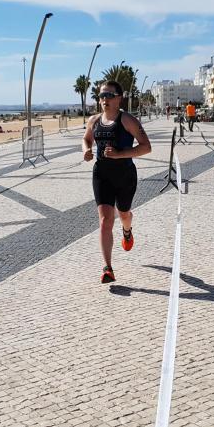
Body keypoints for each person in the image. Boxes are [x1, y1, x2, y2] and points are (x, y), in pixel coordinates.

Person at [82, 80, 152, 283]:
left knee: (124, 214)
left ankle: (127, 231)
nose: (104, 99)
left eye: (109, 95)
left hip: (125, 175)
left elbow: (146, 147)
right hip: (101, 175)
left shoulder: (127, 120)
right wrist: (86, 150)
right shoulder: (94, 120)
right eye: (101, 96)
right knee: (105, 220)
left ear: (119, 98)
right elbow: (86, 139)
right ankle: (108, 268)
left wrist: (120, 154)